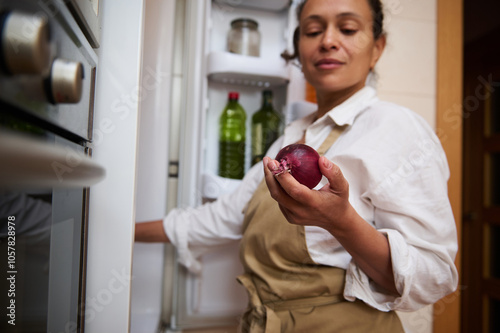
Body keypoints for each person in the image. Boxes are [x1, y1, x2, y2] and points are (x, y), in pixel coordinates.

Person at [135, 0, 459, 331]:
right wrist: (126, 233)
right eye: (312, 31)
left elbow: (434, 276)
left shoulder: (397, 129)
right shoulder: (291, 136)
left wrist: (342, 222)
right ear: (299, 50)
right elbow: (222, 217)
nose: (328, 41)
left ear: (377, 48)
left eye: (347, 29)